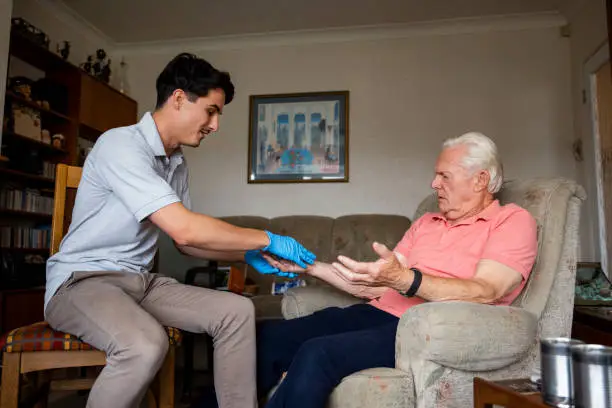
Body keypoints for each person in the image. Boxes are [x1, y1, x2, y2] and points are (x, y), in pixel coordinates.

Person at [44, 52, 315, 408]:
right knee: (145, 344)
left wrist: (248, 254)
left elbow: (185, 245)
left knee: (236, 312)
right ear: (178, 98)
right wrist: (267, 238)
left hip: (140, 282)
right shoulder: (121, 144)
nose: (215, 125)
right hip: (83, 282)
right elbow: (185, 230)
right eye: (211, 111)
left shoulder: (175, 162)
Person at [256, 132, 538, 408]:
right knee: (269, 337)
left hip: (423, 330)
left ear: (480, 180)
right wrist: (309, 267)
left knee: (317, 353)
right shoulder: (427, 221)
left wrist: (406, 279)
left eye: (444, 176)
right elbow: (380, 284)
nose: (433, 183)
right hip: (378, 313)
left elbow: (487, 290)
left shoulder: (511, 221)